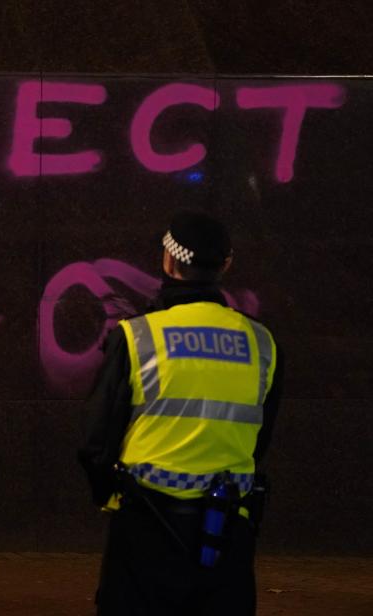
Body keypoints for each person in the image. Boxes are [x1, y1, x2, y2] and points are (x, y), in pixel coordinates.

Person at [78, 210, 283, 616]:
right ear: (226, 265)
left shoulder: (137, 337)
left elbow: (95, 443)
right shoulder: (262, 342)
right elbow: (261, 440)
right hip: (225, 533)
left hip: (144, 531)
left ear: (168, 261)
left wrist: (110, 494)